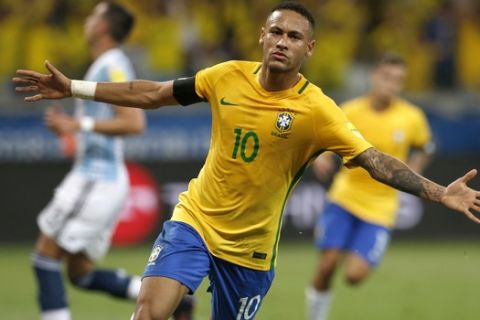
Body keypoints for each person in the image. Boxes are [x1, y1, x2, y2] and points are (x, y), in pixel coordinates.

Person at [13, 2, 480, 320]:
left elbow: (376, 160)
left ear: (309, 49)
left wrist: (440, 192)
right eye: (275, 31)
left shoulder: (318, 111)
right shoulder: (224, 76)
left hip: (251, 250)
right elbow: (152, 94)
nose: (282, 41)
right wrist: (74, 87)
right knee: (150, 312)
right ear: (262, 35)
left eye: (294, 36)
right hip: (194, 220)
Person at [22, 2, 146, 320]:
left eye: (93, 16)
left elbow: (134, 123)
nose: (87, 21)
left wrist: (79, 125)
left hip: (96, 178)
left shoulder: (113, 66)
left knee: (45, 258)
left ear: (103, 27)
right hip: (100, 177)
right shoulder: (104, 65)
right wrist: (74, 127)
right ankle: (173, 302)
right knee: (81, 273)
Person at [305, 54, 435, 320]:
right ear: (374, 77)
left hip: (381, 206)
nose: (392, 85)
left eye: (399, 80)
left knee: (354, 276)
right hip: (344, 196)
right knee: (327, 265)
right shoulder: (350, 110)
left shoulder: (412, 117)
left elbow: (425, 146)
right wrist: (321, 158)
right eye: (387, 78)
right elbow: (324, 141)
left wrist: (417, 165)